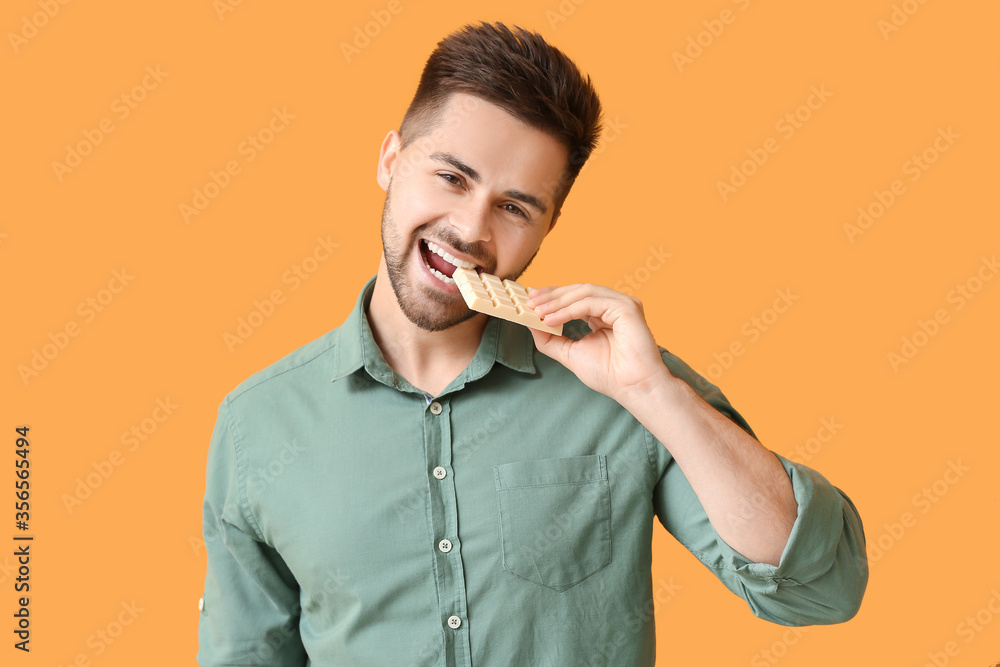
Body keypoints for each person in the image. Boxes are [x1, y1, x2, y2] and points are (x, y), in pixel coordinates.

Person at [197, 21, 868, 666]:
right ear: (391, 159)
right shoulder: (257, 424)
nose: (468, 228)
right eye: (452, 177)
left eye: (514, 207)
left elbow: (821, 588)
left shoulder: (621, 386)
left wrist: (654, 395)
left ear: (549, 225)